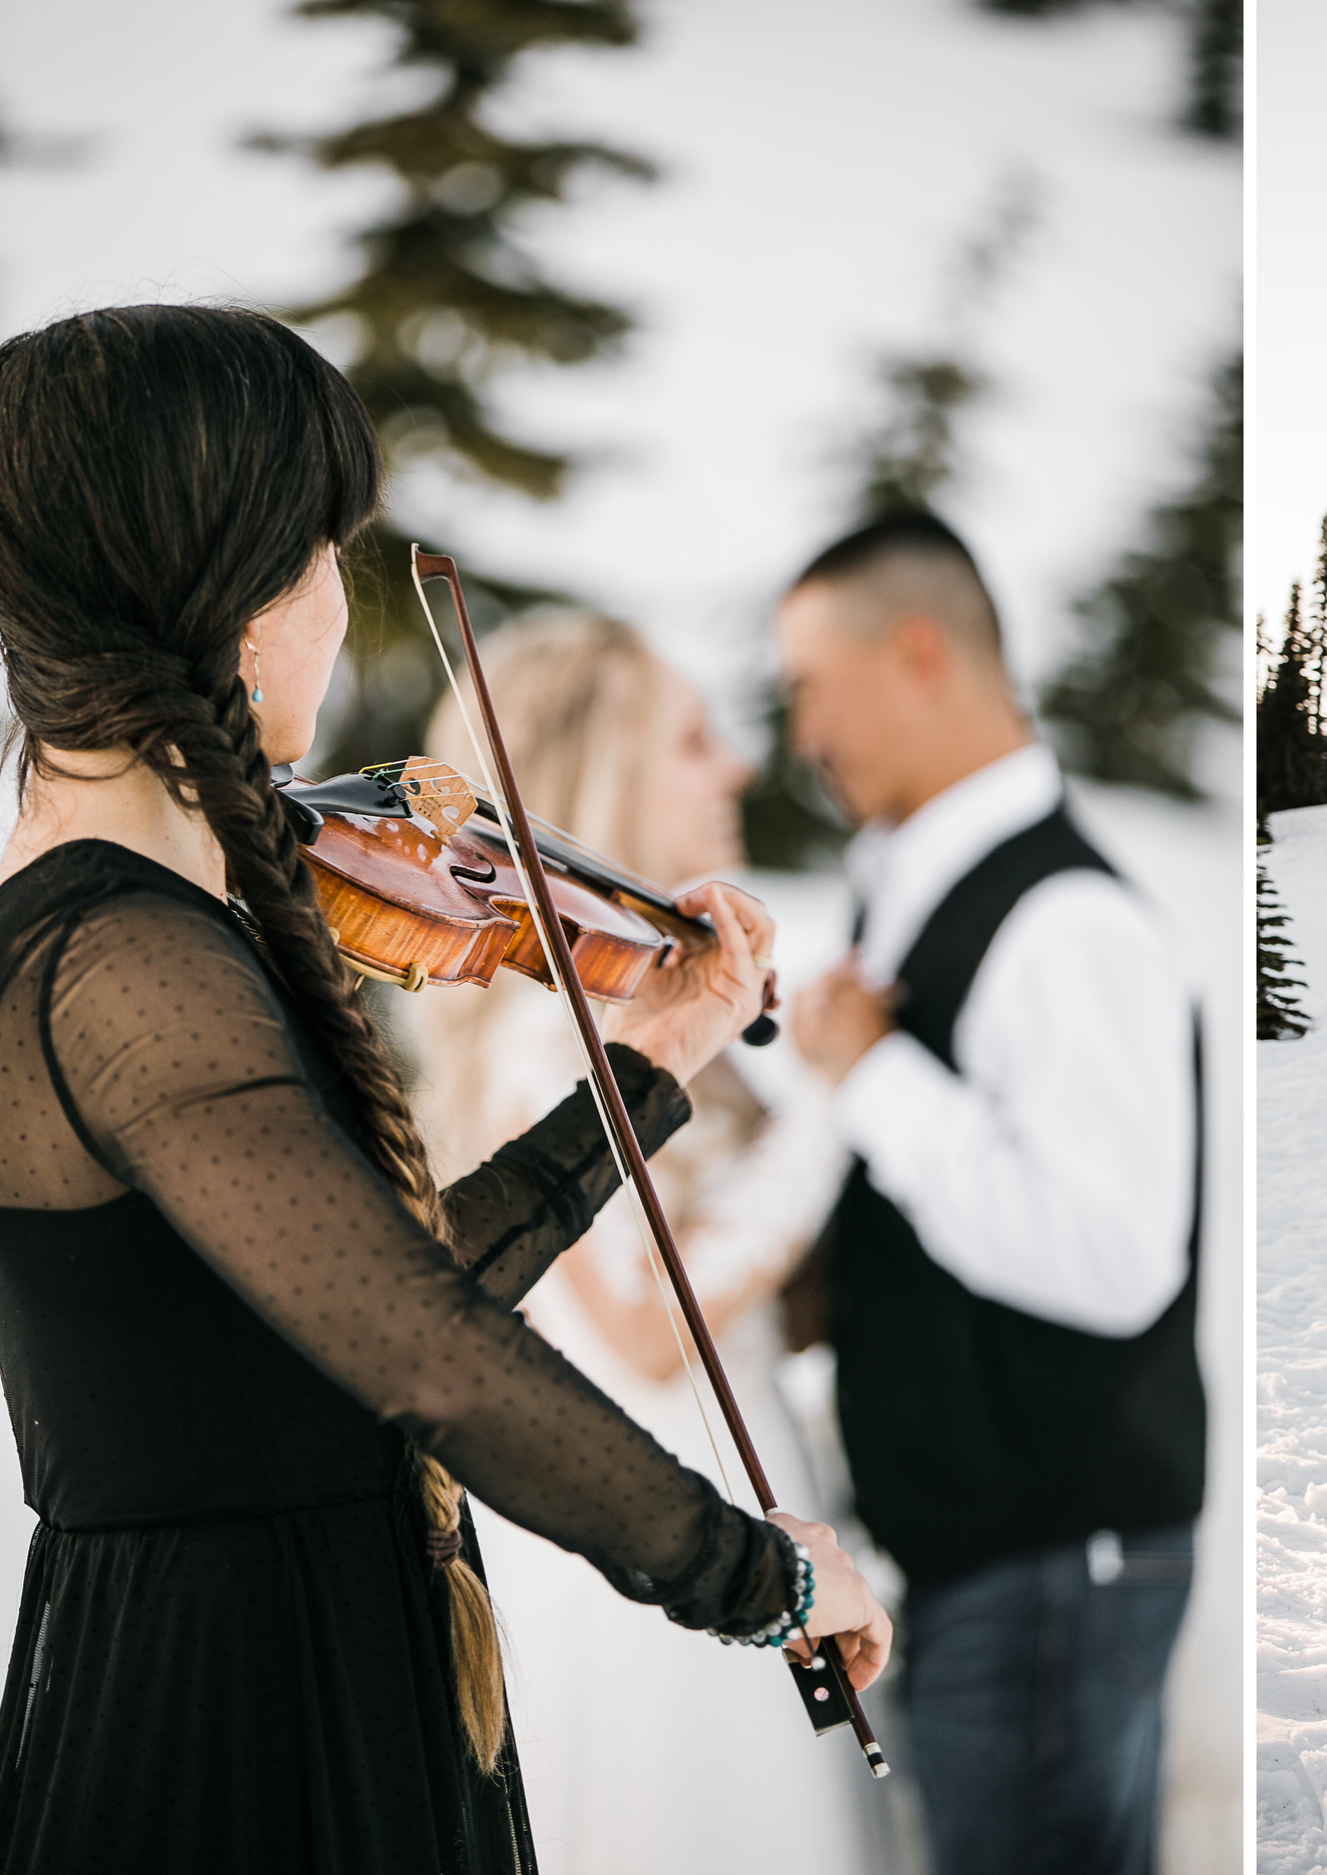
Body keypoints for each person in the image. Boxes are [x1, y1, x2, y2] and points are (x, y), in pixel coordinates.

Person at [0, 305, 887, 1875]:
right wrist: (765, 1575)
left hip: (286, 1648)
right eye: (322, 554)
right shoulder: (123, 959)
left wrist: (660, 1055)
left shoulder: (141, 928)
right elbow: (434, 1359)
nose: (340, 603)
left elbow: (361, 1308)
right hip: (240, 1711)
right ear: (240, 590)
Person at [405, 613, 889, 1875]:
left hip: (740, 1512)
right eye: (690, 738)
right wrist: (834, 1100)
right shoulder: (535, 1037)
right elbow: (649, 1328)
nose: (733, 766)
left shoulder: (643, 992)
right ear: (599, 773)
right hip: (648, 1560)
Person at [774, 510, 1204, 1875]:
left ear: (915, 652)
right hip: (987, 1565)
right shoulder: (915, 882)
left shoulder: (1068, 921)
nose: (802, 732)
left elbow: (1115, 1249)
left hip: (1048, 1571)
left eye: (808, 685)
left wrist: (873, 1074)